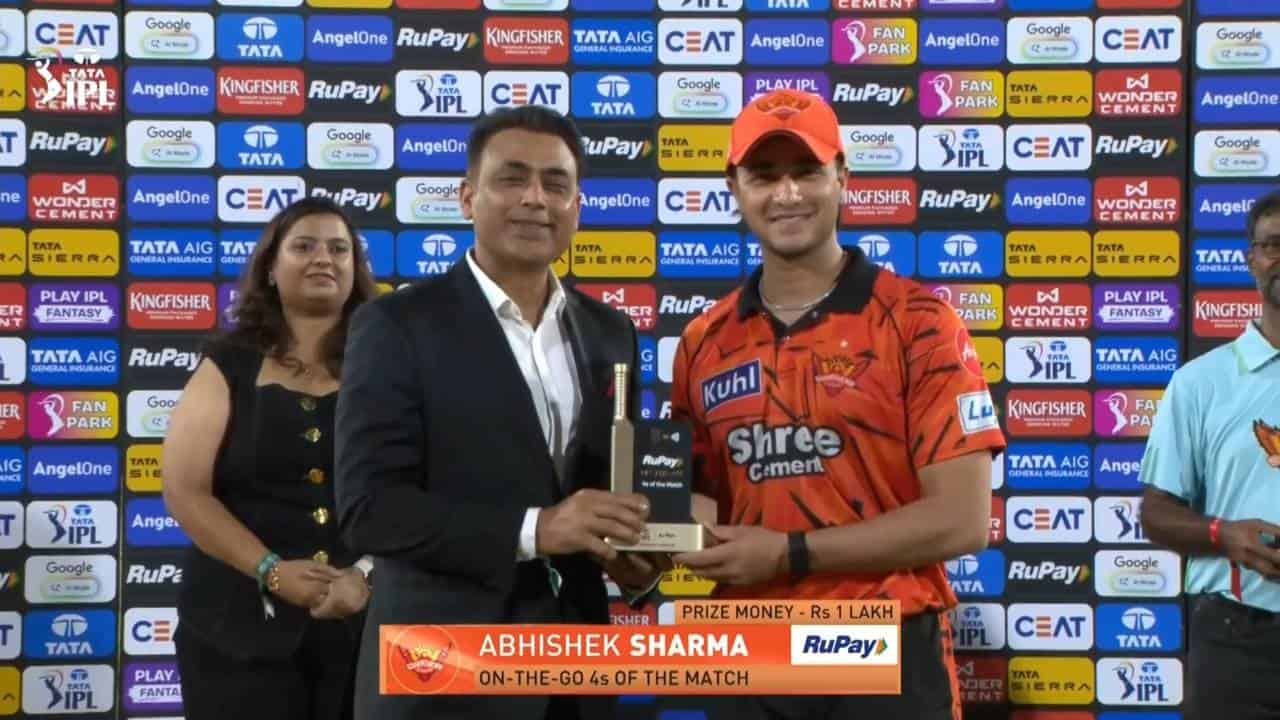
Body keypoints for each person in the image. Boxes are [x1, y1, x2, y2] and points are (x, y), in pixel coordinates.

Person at [667, 89, 1006, 720]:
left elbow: (962, 520)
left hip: (881, 634)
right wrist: (656, 527)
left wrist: (789, 552)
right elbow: (701, 501)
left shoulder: (920, 323)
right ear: (734, 188)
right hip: (753, 646)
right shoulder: (703, 341)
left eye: (807, 171)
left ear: (843, 177)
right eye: (764, 176)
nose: (787, 193)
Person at [334, 105, 666, 720]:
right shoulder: (396, 325)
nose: (536, 199)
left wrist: (637, 560)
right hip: (442, 674)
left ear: (577, 207)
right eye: (512, 178)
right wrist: (538, 529)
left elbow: (603, 489)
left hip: (577, 673)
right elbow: (370, 510)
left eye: (556, 184)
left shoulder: (611, 332)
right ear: (468, 198)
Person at [162, 196, 380, 720]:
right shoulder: (227, 364)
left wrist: (365, 576)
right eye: (303, 246)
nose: (323, 258)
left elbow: (416, 488)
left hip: (365, 629)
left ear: (355, 269)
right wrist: (271, 571)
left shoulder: (388, 363)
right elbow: (185, 491)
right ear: (271, 269)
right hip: (233, 631)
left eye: (339, 249)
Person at [1139, 189, 1280, 719]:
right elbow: (1156, 514)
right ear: (1251, 260)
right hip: (1238, 640)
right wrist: (1225, 534)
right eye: (1273, 245)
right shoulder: (1199, 383)